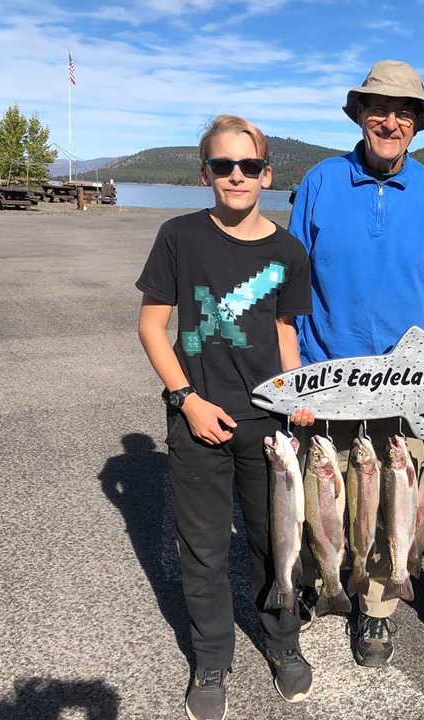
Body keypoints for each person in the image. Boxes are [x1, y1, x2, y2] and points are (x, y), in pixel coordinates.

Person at [287, 60, 424, 667]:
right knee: (320, 490)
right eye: (379, 109)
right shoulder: (319, 181)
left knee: (396, 495)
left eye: (404, 111)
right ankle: (321, 581)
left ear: (418, 122)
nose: (390, 121)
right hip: (327, 373)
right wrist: (300, 368)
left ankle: (379, 608)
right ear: (360, 114)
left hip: (406, 379)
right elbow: (294, 281)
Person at [136, 115, 314, 720]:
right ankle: (211, 656)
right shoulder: (179, 237)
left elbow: (286, 334)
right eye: (222, 166)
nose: (235, 177)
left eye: (248, 166)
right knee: (204, 550)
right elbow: (152, 326)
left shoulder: (289, 250)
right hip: (198, 419)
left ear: (267, 172)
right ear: (204, 172)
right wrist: (186, 398)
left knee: (274, 543)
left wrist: (296, 397)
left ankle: (282, 640)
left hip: (268, 424)